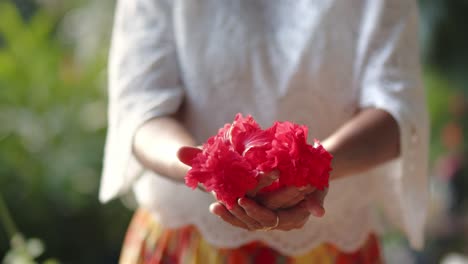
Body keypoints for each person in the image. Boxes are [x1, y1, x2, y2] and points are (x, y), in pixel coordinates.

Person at [99, 0, 429, 263]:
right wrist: (207, 169)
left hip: (331, 243)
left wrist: (313, 167)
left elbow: (396, 111)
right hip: (189, 239)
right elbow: (141, 110)